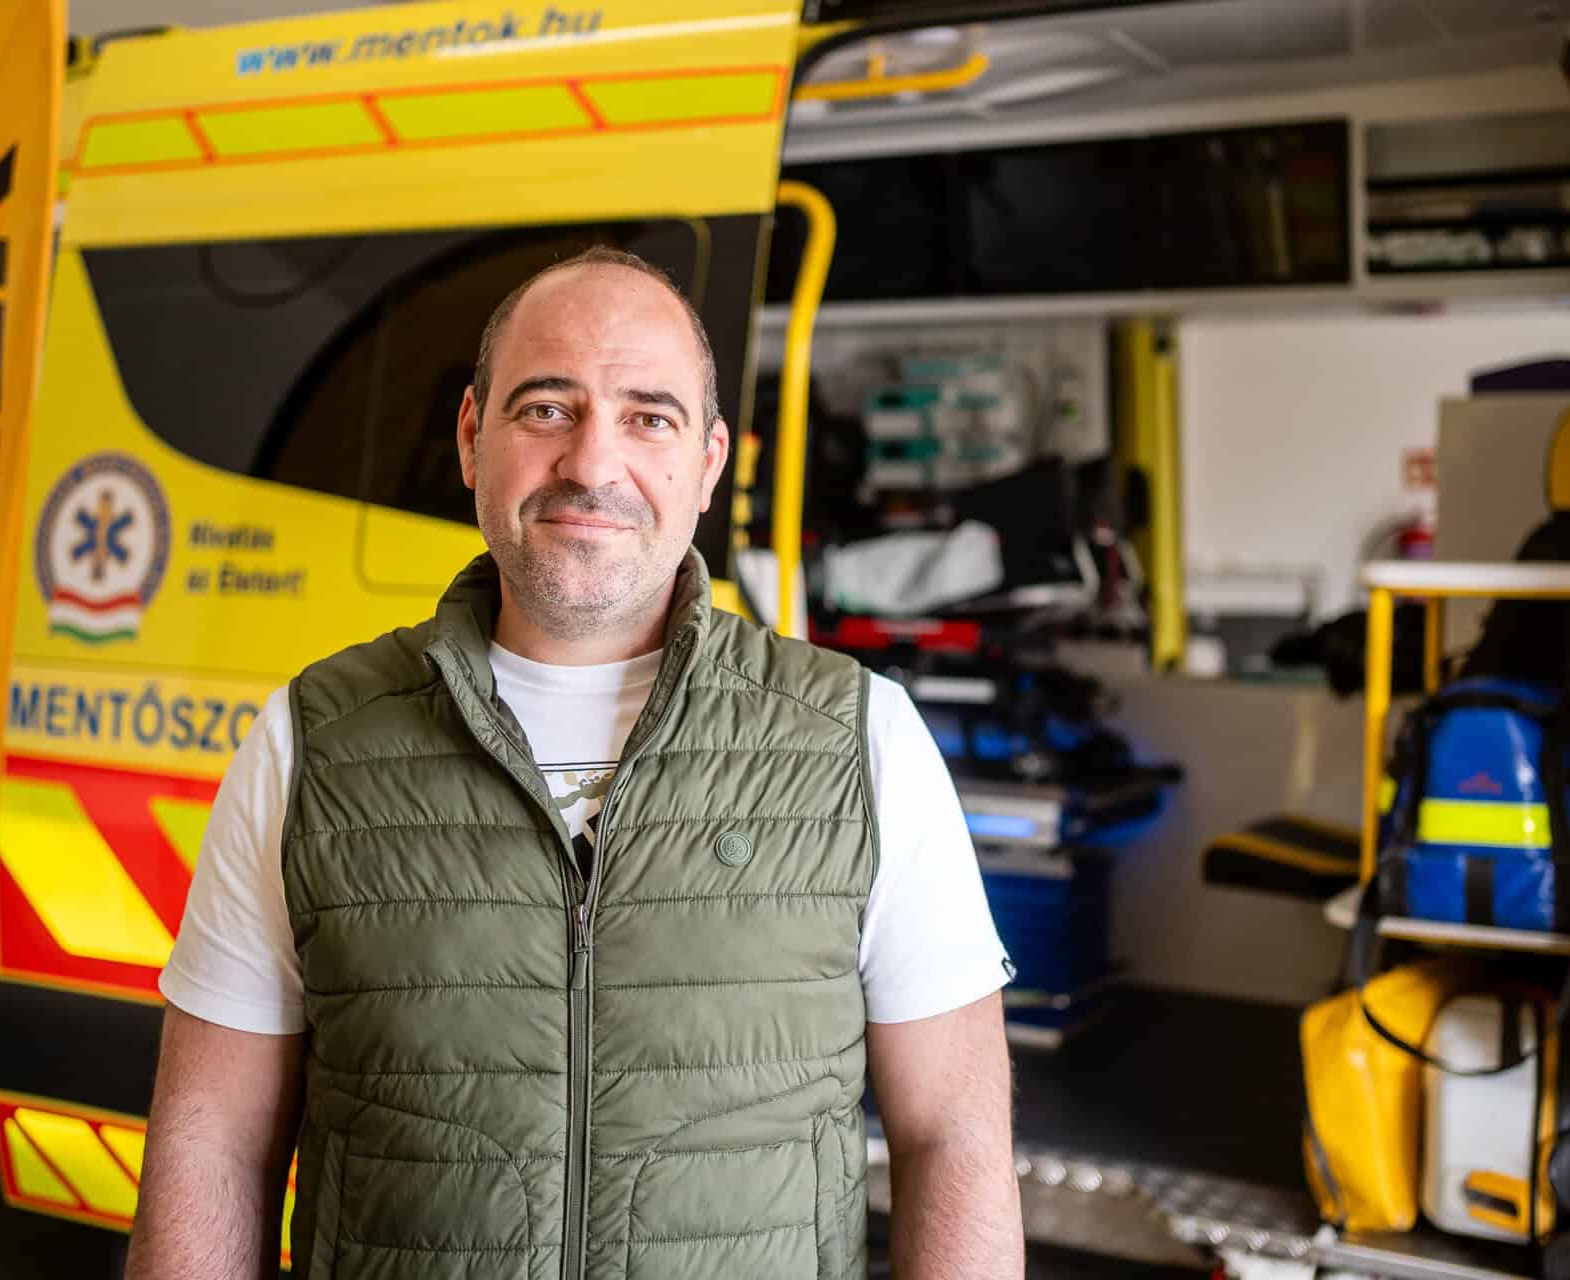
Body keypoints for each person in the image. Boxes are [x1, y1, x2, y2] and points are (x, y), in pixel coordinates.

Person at [126, 246, 1024, 1279]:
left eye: (650, 418)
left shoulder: (860, 741)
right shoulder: (312, 741)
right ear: (473, 437)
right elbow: (211, 1140)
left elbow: (954, 1136)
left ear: (709, 463)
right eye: (548, 408)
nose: (592, 465)